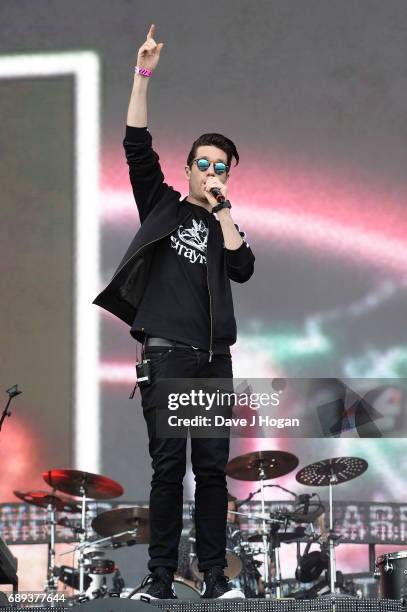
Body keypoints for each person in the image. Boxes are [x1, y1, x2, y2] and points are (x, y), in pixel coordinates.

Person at [93, 24, 255, 600]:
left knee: (211, 472)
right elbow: (136, 143)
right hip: (166, 356)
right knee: (170, 471)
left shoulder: (224, 225)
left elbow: (243, 269)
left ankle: (215, 578)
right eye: (204, 165)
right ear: (187, 169)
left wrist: (225, 211)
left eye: (222, 167)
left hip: (213, 361)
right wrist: (142, 73)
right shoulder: (162, 204)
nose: (212, 174)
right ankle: (161, 579)